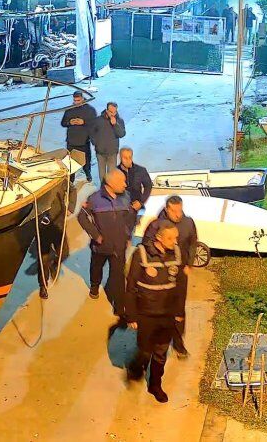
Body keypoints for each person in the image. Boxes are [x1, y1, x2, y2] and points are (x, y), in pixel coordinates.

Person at [126, 220, 185, 403]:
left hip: (167, 313)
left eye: (176, 237)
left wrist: (179, 312)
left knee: (161, 352)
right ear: (159, 238)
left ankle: (155, 385)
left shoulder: (176, 253)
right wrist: (131, 315)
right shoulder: (141, 254)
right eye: (170, 238)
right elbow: (131, 287)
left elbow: (180, 286)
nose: (175, 242)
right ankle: (137, 365)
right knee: (145, 350)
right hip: (146, 313)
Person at [141, 195, 197, 357]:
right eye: (174, 211)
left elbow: (193, 243)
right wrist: (154, 263)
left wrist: (189, 264)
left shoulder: (188, 223)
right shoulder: (156, 225)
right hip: (162, 272)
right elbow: (146, 243)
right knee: (159, 306)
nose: (178, 214)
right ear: (167, 209)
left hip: (181, 272)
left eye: (180, 210)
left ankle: (178, 343)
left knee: (179, 308)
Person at [77, 168, 135, 317]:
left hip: (119, 246)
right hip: (101, 246)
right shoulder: (94, 199)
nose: (125, 184)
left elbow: (131, 217)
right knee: (96, 268)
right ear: (111, 183)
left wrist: (128, 235)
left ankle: (119, 307)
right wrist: (96, 236)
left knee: (118, 276)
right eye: (122, 181)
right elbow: (82, 216)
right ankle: (94, 287)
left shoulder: (126, 196)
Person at [60, 91, 97, 183]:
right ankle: (71, 179)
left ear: (83, 99)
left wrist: (84, 122)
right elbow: (63, 123)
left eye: (78, 100)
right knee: (70, 161)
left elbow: (95, 124)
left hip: (84, 140)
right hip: (71, 141)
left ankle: (87, 173)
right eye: (75, 100)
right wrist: (69, 122)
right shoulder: (69, 110)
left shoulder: (90, 110)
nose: (76, 103)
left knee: (86, 159)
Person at [91, 102, 126, 180]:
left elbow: (121, 134)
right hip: (100, 152)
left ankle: (110, 187)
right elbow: (92, 132)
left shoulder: (119, 121)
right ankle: (103, 187)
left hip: (112, 152)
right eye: (111, 112)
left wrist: (115, 125)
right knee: (102, 175)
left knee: (111, 176)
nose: (113, 114)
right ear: (106, 110)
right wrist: (95, 143)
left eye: (115, 112)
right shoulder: (98, 120)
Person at [118, 147, 152, 213]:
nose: (128, 160)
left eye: (130, 157)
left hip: (138, 206)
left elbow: (148, 186)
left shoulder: (140, 170)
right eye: (125, 158)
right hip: (121, 208)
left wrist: (141, 202)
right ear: (120, 157)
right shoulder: (115, 172)